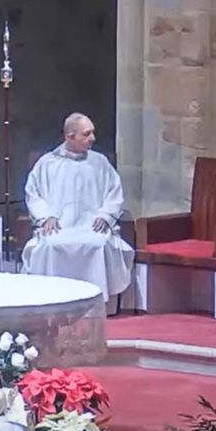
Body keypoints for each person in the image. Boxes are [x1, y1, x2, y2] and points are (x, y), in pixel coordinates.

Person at [20, 113, 133, 303]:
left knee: (98, 245)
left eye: (92, 133)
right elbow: (33, 193)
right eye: (86, 134)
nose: (93, 139)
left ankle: (96, 301)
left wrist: (106, 215)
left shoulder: (100, 162)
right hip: (59, 227)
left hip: (91, 226)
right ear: (69, 136)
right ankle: (53, 300)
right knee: (50, 246)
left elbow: (114, 192)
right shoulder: (47, 163)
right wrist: (46, 216)